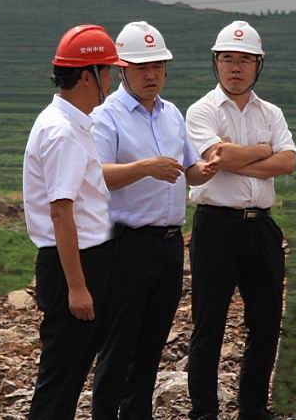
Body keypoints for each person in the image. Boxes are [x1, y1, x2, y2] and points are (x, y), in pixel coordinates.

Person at [90, 21, 221, 420]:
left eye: (158, 67)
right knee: (118, 344)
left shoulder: (172, 114)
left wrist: (207, 169)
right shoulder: (106, 116)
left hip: (168, 244)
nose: (152, 75)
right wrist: (145, 167)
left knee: (151, 344)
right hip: (126, 243)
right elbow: (94, 175)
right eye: (142, 67)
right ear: (122, 69)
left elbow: (188, 170)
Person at [185, 21, 296, 420]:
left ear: (258, 65)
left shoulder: (271, 112)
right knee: (209, 324)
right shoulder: (201, 110)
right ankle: (204, 412)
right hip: (216, 226)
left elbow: (288, 161)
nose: (236, 67)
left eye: (245, 60)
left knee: (265, 323)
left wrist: (240, 159)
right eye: (228, 59)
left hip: (261, 226)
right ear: (215, 62)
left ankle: (253, 409)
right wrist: (263, 152)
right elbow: (218, 157)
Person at [23, 24, 127, 420]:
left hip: (84, 258)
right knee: (60, 380)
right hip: (72, 263)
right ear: (88, 76)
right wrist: (78, 287)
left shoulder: (73, 123)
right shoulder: (63, 132)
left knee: (69, 374)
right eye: (107, 72)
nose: (111, 81)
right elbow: (61, 212)